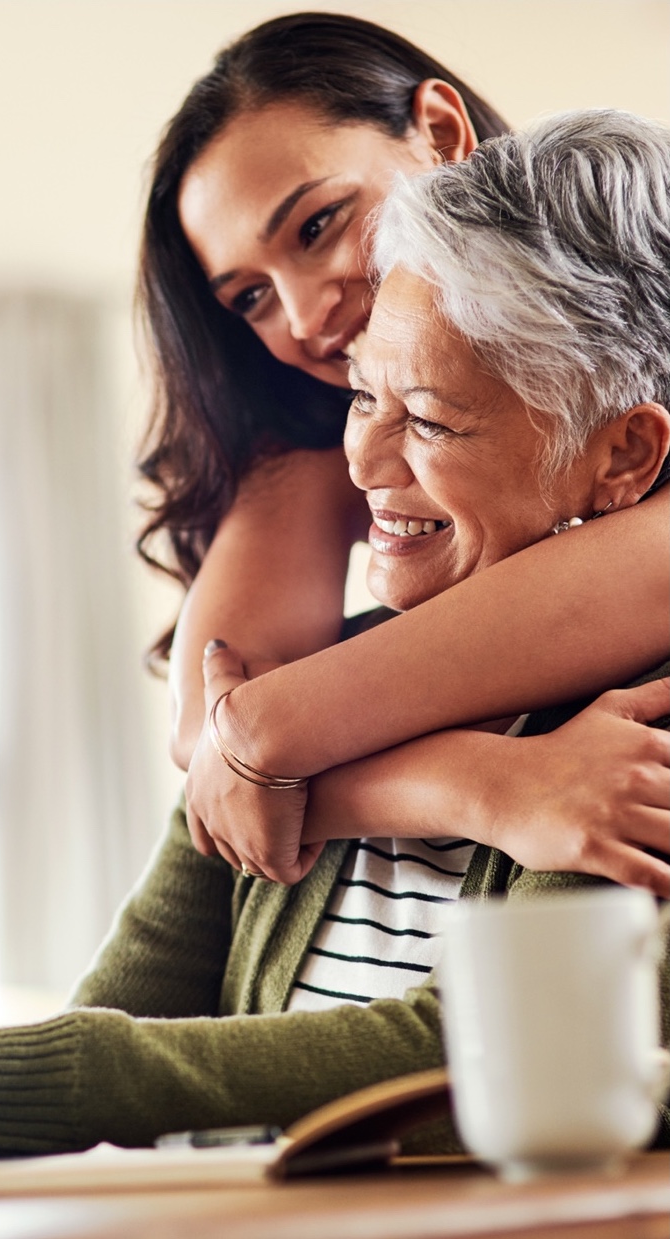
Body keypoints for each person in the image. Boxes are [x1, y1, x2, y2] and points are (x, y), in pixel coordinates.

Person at [0, 109, 670, 1159]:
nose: (365, 463)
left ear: (622, 454)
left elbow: (471, 1056)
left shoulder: (637, 732)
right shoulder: (321, 686)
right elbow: (119, 1013)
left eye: (432, 420)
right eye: (361, 398)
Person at [139, 13, 669, 891]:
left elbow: (251, 732)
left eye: (316, 226)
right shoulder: (314, 450)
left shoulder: (623, 258)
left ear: (439, 131)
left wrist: (271, 739)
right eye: (250, 297)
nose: (307, 317)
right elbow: (213, 729)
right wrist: (482, 788)